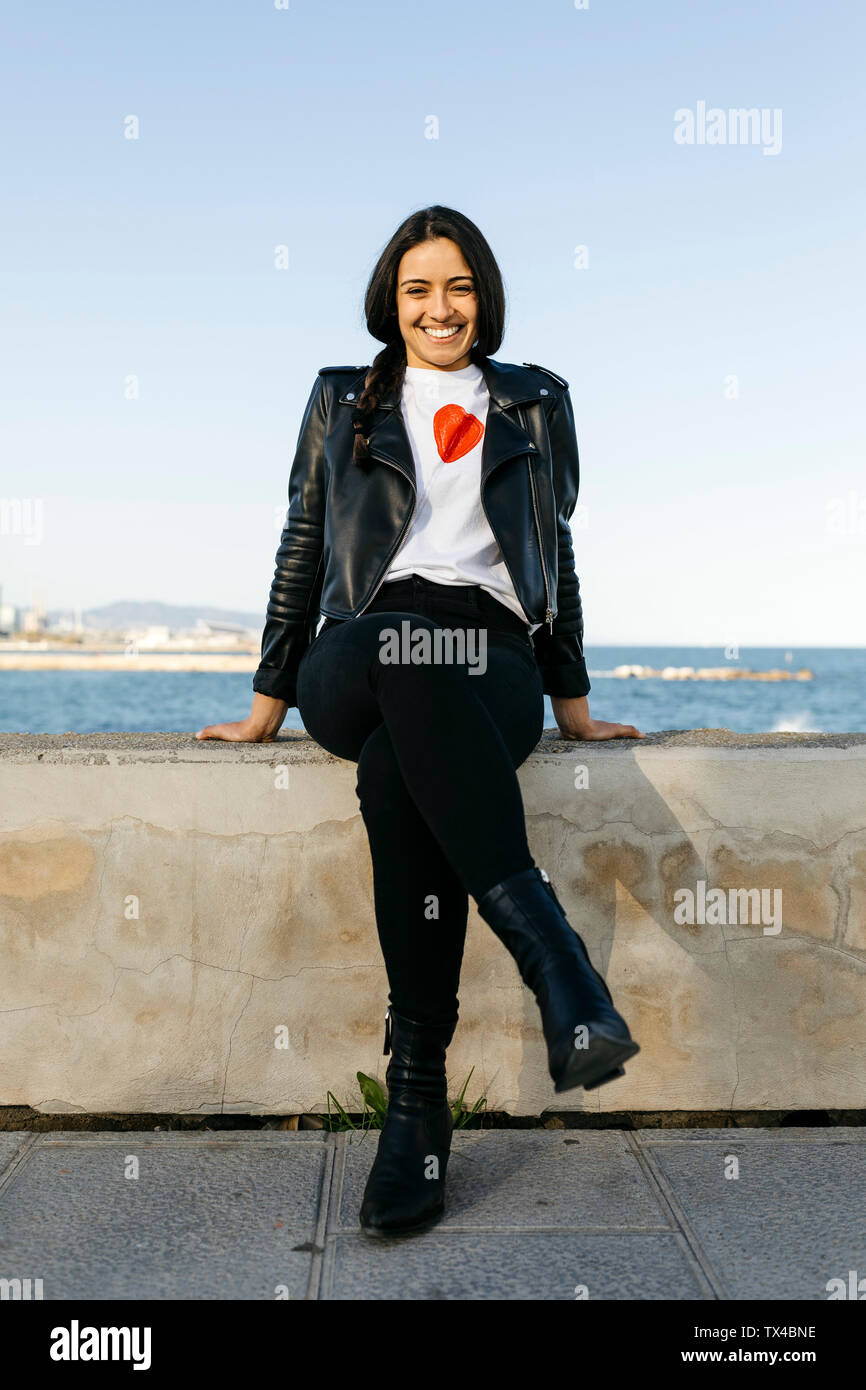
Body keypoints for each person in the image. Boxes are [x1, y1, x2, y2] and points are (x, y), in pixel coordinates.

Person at [196, 205, 644, 1238]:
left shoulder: (534, 402)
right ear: (390, 304)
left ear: (481, 296)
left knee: (401, 769)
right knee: (401, 657)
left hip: (488, 651)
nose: (438, 308)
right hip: (361, 642)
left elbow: (554, 554)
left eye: (456, 287)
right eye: (416, 290)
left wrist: (569, 705)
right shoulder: (340, 399)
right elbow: (303, 543)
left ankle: (415, 1098)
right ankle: (556, 964)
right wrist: (266, 704)